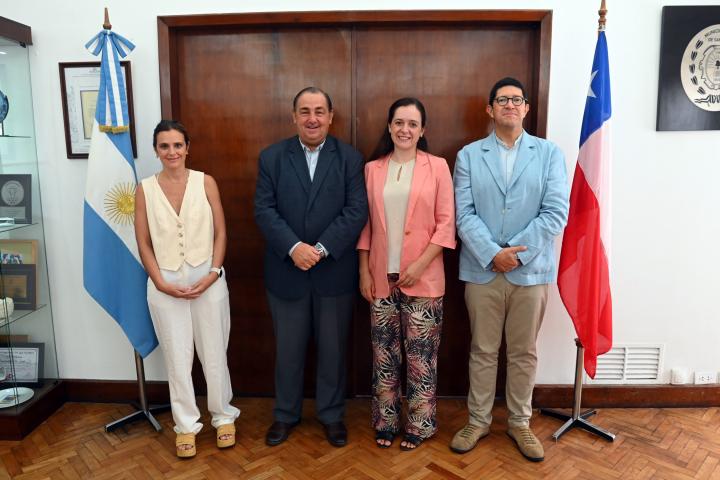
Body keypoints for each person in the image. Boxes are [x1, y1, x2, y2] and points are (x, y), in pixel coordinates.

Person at [451, 77, 569, 462]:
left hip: (530, 272)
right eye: (502, 100)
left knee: (524, 353)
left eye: (517, 100)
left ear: (527, 108)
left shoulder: (549, 154)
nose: (510, 105)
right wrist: (491, 253)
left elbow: (555, 212)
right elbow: (463, 214)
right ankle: (478, 420)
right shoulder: (469, 155)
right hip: (482, 270)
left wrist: (515, 254)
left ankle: (520, 422)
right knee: (482, 350)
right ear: (490, 109)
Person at [254, 87, 368, 448]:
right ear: (294, 117)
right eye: (305, 111)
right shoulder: (271, 157)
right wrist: (293, 248)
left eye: (319, 111)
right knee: (287, 350)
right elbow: (264, 210)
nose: (312, 118)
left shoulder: (351, 159)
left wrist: (318, 249)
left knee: (333, 351)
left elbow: (356, 212)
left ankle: (332, 415)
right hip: (286, 272)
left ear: (331, 116)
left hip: (333, 272)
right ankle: (285, 415)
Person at [135, 120, 240, 458]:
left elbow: (221, 232)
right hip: (164, 283)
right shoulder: (144, 189)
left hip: (207, 279)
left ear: (187, 147)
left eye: (177, 145)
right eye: (164, 146)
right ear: (156, 150)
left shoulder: (205, 182)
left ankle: (223, 416)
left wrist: (213, 272)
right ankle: (185, 425)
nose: (171, 152)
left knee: (213, 353)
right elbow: (143, 242)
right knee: (177, 359)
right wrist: (161, 283)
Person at [357, 97, 455, 450]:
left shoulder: (438, 167)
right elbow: (365, 226)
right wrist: (364, 272)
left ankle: (420, 424)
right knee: (383, 355)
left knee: (421, 356)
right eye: (399, 122)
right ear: (389, 126)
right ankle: (385, 421)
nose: (405, 129)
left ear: (422, 130)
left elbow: (446, 225)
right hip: (381, 279)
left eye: (412, 124)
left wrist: (419, 265)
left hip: (424, 279)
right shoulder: (373, 169)